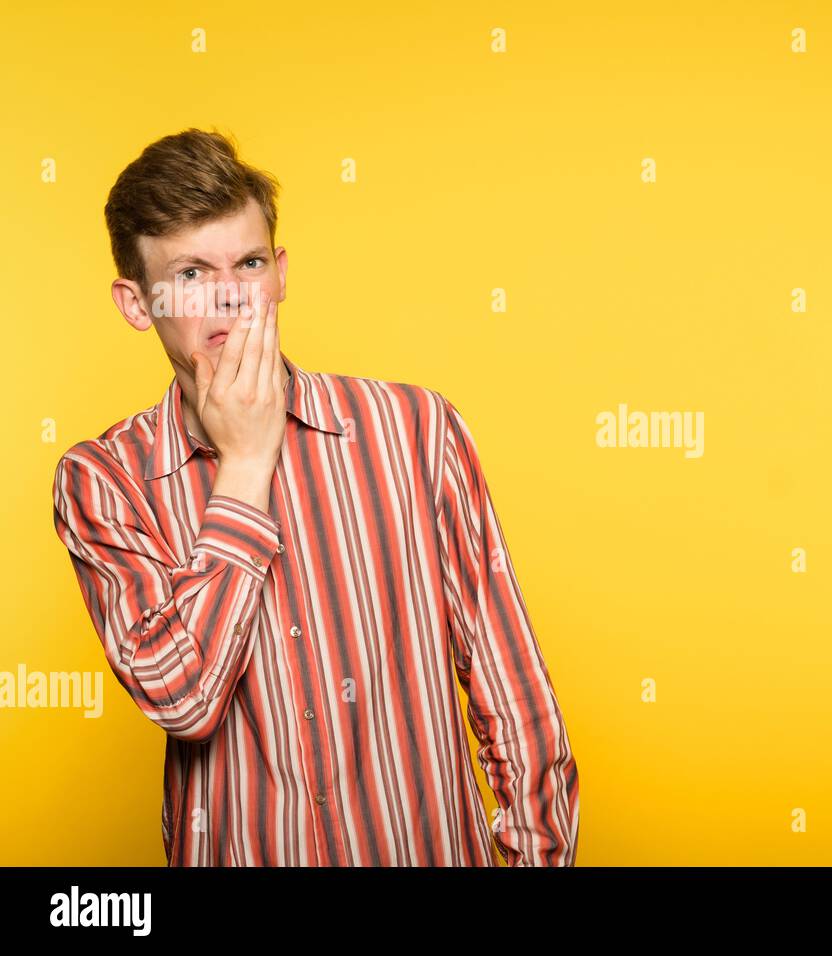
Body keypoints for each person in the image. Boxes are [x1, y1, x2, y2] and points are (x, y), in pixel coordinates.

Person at [51, 128, 579, 866]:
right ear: (136, 303)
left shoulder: (417, 431)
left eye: (250, 262)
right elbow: (184, 700)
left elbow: (512, 692)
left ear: (281, 273)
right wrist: (244, 463)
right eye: (193, 275)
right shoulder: (103, 482)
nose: (232, 297)